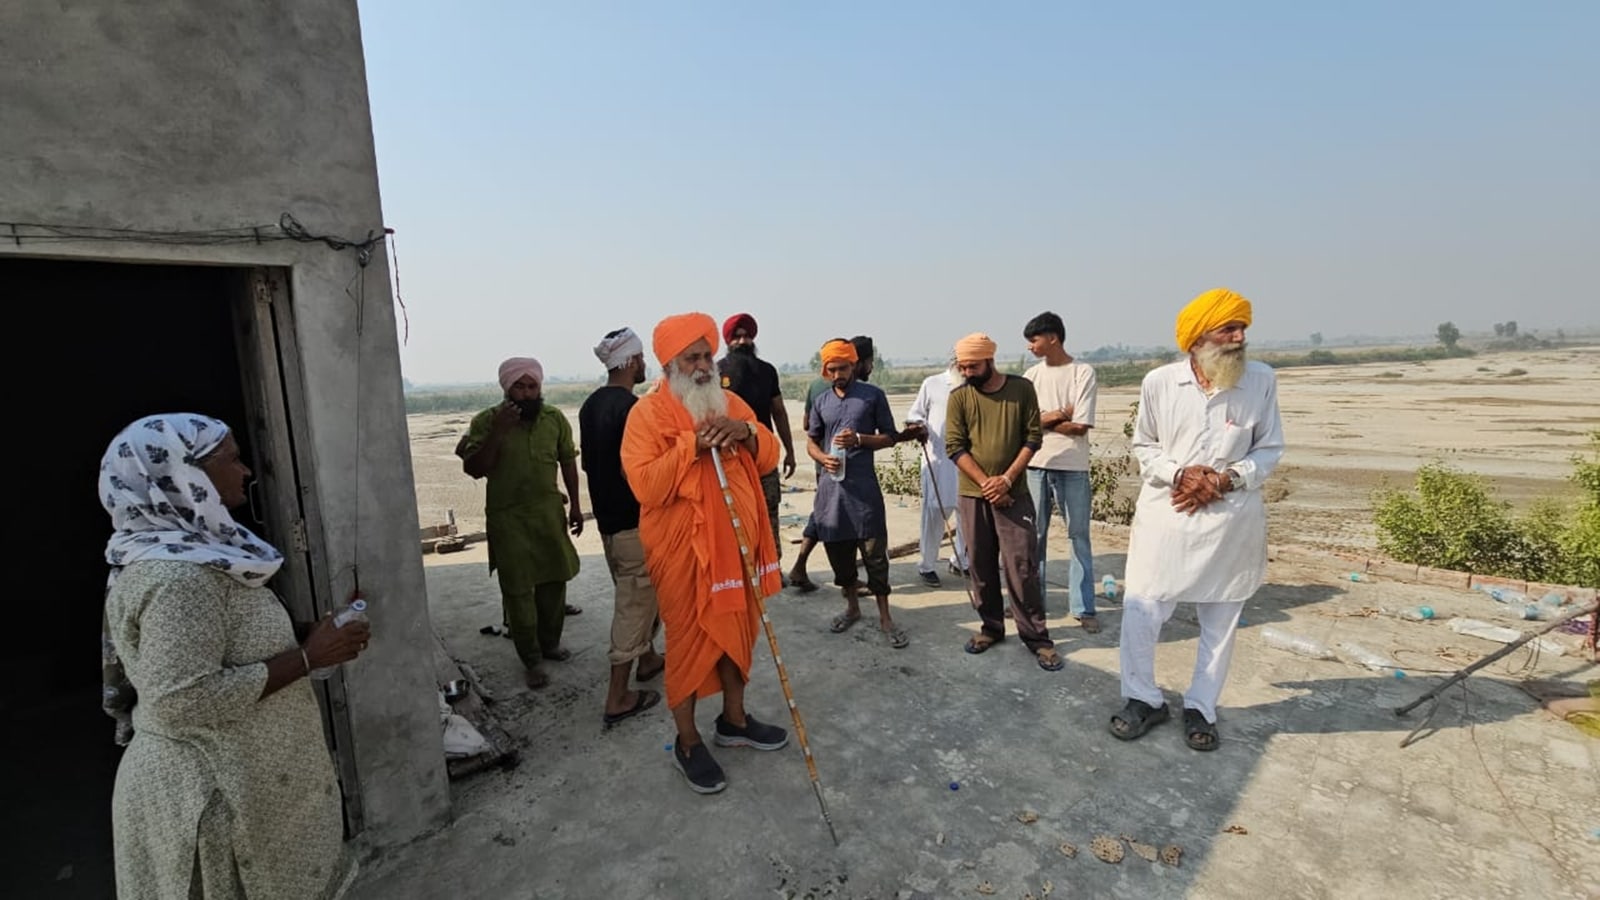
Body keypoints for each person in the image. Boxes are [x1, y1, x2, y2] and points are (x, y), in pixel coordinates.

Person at [98, 413, 368, 899]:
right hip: (213, 799)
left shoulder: (193, 554)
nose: (245, 472)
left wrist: (308, 635)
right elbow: (181, 699)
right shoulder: (179, 579)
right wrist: (308, 657)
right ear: (183, 474)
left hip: (238, 786)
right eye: (232, 459)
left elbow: (219, 642)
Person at [1109, 288, 1285, 752]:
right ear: (1197, 338)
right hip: (1167, 516)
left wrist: (1226, 479)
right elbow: (1145, 445)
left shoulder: (1260, 380)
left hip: (1230, 520)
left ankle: (1202, 707)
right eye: (1229, 329)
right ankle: (1143, 698)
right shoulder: (1160, 382)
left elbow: (1269, 448)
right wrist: (1181, 474)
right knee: (1143, 608)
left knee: (1221, 618)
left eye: (1242, 328)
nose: (1239, 337)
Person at [621, 312, 789, 794]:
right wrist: (690, 446)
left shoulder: (730, 402)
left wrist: (747, 434)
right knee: (688, 645)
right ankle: (689, 742)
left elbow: (769, 454)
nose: (702, 366)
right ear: (668, 365)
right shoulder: (646, 415)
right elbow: (645, 486)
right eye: (690, 358)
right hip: (684, 555)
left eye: (706, 356)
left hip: (736, 549)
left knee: (738, 634)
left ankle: (735, 721)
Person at [456, 357, 582, 690]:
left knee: (554, 582)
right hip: (508, 519)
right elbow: (474, 468)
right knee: (518, 591)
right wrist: (499, 431)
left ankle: (550, 644)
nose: (527, 393)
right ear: (506, 389)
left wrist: (576, 505)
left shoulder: (554, 419)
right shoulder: (486, 421)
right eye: (519, 387)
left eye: (532, 386)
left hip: (548, 515)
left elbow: (568, 462)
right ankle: (531, 659)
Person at [945, 332, 1064, 671]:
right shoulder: (959, 397)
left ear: (990, 360)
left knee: (1021, 566)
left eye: (973, 366)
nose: (967, 372)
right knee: (980, 565)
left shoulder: (1021, 389)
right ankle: (991, 628)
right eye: (962, 367)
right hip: (974, 495)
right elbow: (954, 446)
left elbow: (1033, 437)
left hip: (1014, 494)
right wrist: (987, 484)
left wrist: (1007, 480)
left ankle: (1037, 638)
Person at [581, 328, 666, 726]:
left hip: (608, 523)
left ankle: (648, 659)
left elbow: (590, 465)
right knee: (634, 605)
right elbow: (632, 470)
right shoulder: (633, 408)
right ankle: (618, 697)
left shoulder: (590, 405)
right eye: (642, 357)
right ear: (631, 362)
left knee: (638, 596)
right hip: (634, 522)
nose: (645, 363)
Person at [807, 338, 909, 648]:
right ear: (825, 370)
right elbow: (812, 440)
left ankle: (885, 617)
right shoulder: (822, 401)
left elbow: (890, 437)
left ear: (853, 365)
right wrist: (821, 457)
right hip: (831, 492)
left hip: (864, 492)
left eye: (843, 368)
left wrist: (861, 440)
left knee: (875, 556)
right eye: (832, 369)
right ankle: (852, 608)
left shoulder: (872, 396)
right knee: (839, 555)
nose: (838, 374)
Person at [1022, 311, 1101, 632]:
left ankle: (1084, 608)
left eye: (1034, 340)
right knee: (1034, 537)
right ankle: (1033, 603)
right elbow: (1024, 423)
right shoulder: (1031, 376)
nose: (1030, 347)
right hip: (1036, 465)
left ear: (1052, 338)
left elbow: (1080, 426)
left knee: (1078, 536)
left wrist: (1042, 420)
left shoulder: (1083, 373)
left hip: (1072, 466)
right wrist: (1059, 414)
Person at [788, 334, 875, 593]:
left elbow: (807, 424)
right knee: (841, 520)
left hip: (823, 464)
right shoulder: (855, 391)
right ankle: (847, 578)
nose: (871, 368)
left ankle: (802, 566)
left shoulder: (817, 384)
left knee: (823, 513)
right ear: (859, 362)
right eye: (870, 362)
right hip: (838, 467)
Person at [717, 313, 797, 564]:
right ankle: (739, 570)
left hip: (763, 456)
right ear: (728, 340)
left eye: (746, 336)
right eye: (737, 336)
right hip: (730, 461)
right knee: (734, 516)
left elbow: (779, 411)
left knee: (769, 514)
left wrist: (790, 451)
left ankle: (772, 568)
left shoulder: (767, 371)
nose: (742, 341)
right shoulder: (715, 372)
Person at [906, 360, 969, 586]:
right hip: (940, 461)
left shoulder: (979, 385)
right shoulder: (933, 384)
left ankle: (961, 560)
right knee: (934, 514)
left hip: (971, 462)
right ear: (955, 361)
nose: (967, 369)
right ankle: (927, 565)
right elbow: (915, 415)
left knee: (969, 513)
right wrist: (918, 427)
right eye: (964, 363)